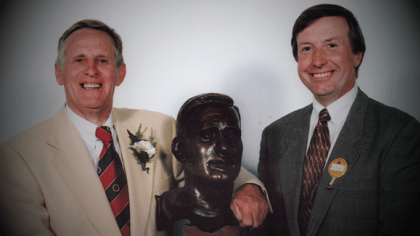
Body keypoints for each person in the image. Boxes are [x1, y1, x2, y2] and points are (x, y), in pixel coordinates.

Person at [0, 19, 269, 236]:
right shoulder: (18, 156)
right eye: (79, 60)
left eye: (103, 60)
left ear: (121, 73)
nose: (91, 70)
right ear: (59, 72)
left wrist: (249, 188)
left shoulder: (160, 127)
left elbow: (214, 165)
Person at [258, 4, 420, 236]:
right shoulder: (275, 133)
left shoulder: (398, 133)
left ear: (357, 55)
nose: (318, 61)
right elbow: (268, 227)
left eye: (331, 45)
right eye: (306, 49)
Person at [159, 93, 256, 233]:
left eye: (231, 135)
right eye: (207, 136)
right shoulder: (166, 207)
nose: (224, 147)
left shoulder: (253, 210)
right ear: (180, 149)